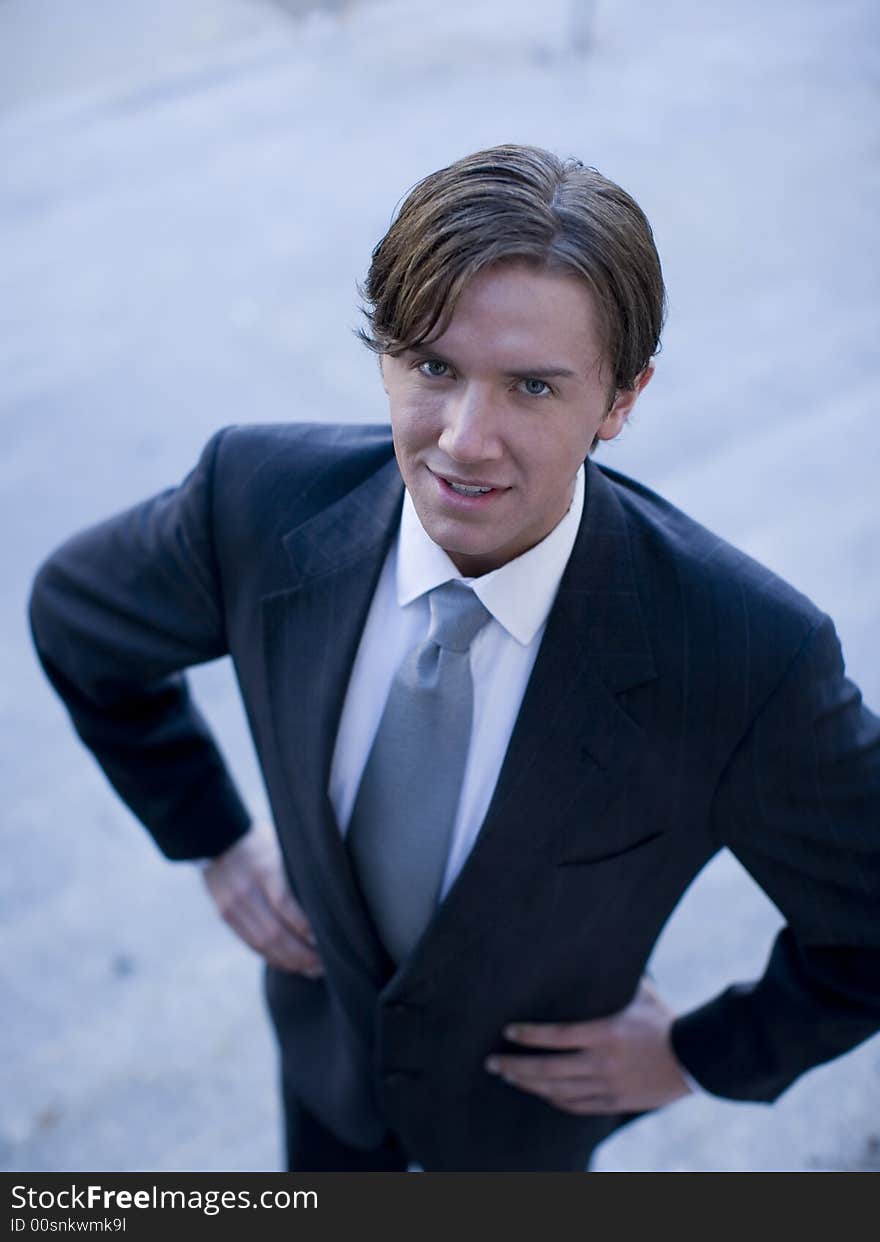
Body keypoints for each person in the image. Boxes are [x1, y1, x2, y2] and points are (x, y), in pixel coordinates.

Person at [28, 144, 880, 1173]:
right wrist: (209, 838)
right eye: (433, 366)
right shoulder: (251, 500)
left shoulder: (745, 657)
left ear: (620, 400)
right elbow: (77, 620)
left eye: (530, 386)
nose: (465, 441)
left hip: (526, 1135)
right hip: (327, 1081)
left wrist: (699, 1056)